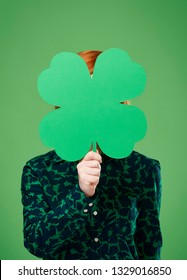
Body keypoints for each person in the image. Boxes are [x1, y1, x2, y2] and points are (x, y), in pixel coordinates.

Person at [21, 50, 162, 260]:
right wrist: (80, 193)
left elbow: (149, 252)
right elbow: (37, 243)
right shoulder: (39, 171)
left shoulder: (144, 169)